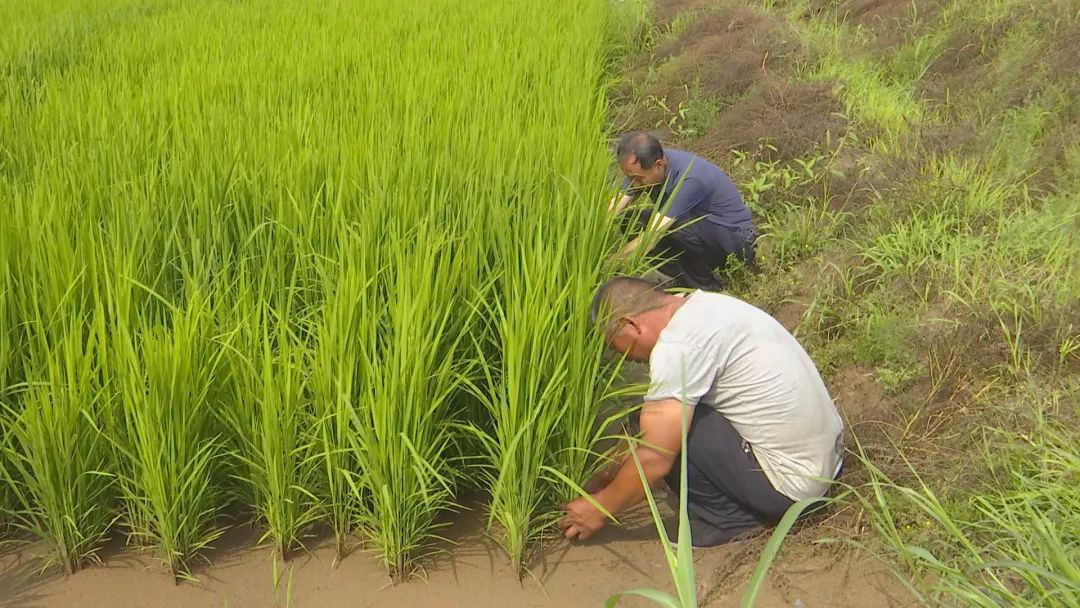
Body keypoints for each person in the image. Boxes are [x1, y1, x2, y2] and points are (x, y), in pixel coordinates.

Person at [559, 277, 844, 547]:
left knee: (670, 433)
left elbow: (654, 457)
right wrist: (608, 476)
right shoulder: (705, 306)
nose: (626, 358)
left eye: (616, 346)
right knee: (653, 416)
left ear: (630, 324)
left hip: (792, 489)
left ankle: (731, 520)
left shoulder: (677, 348)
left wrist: (599, 508)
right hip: (826, 464)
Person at [609, 132, 757, 291]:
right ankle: (684, 279)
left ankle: (707, 287)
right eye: (629, 177)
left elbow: (652, 236)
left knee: (674, 226)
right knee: (630, 220)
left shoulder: (690, 179)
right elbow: (613, 209)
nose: (634, 184)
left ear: (659, 165)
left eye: (638, 178)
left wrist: (611, 263)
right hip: (702, 231)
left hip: (734, 240)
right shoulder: (648, 167)